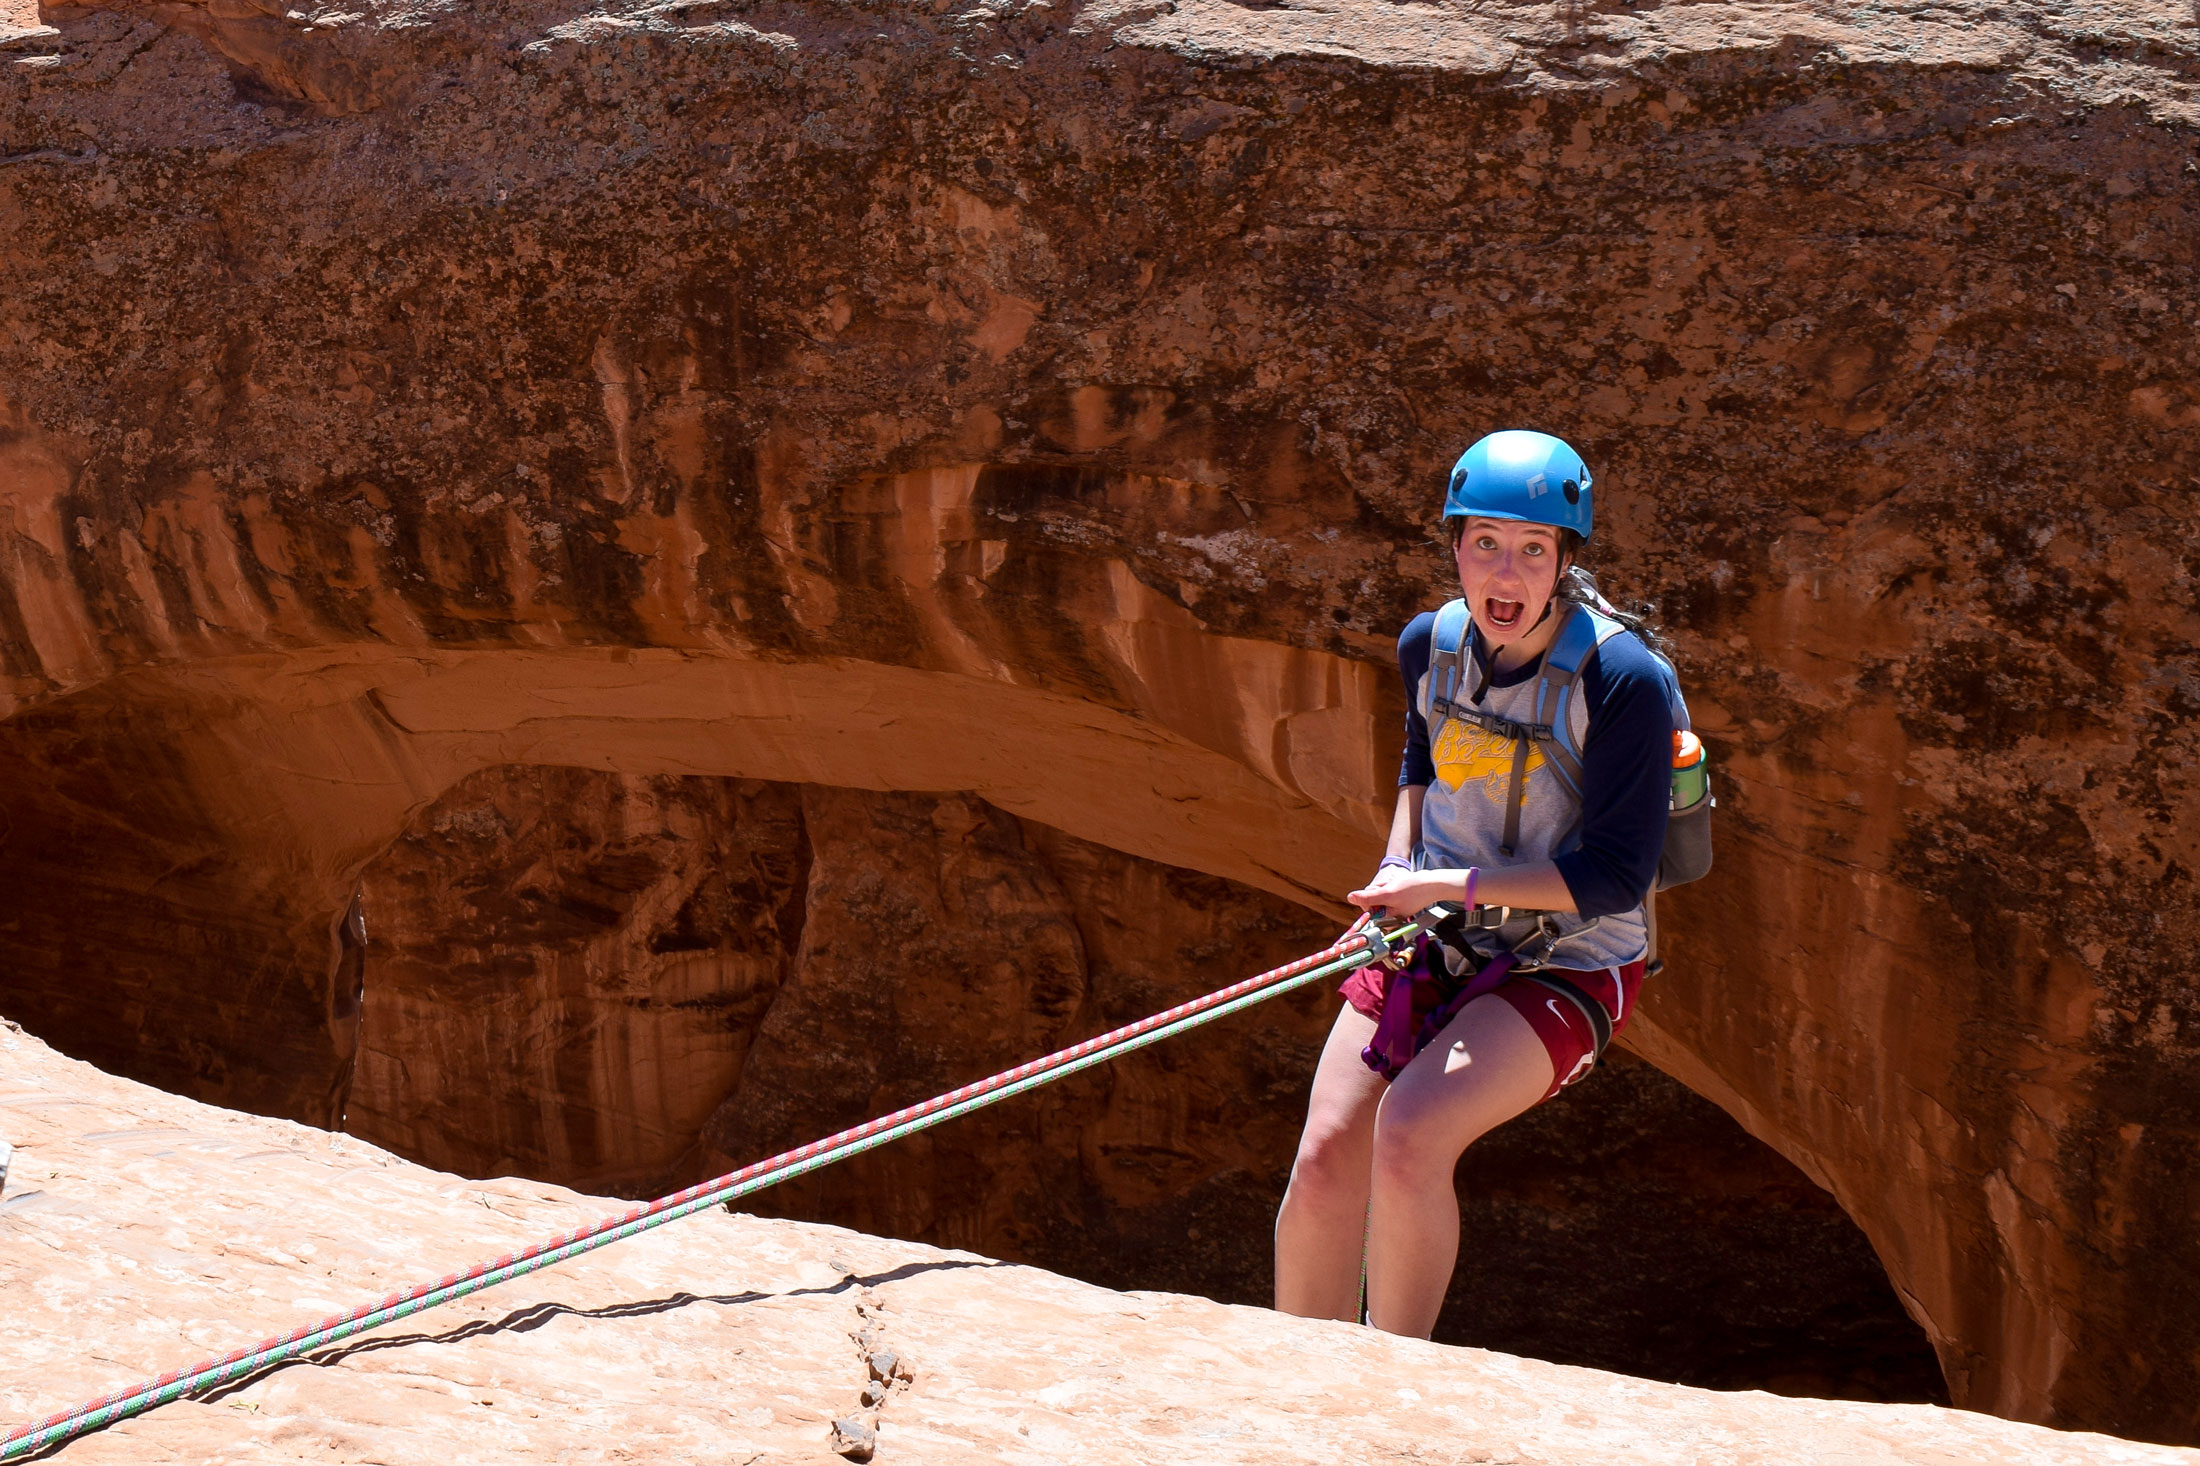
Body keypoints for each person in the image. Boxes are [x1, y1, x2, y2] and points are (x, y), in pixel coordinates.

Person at [1272, 429, 1676, 1339]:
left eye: (1534, 550)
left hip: (1570, 961)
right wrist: (1396, 867)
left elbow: (1614, 877)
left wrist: (1443, 888)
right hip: (1435, 930)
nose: (1506, 572)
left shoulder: (1623, 682)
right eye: (1485, 542)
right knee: (1329, 1148)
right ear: (1454, 545)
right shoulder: (1433, 643)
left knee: (1410, 1138)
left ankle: (1390, 1388)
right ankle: (1294, 1387)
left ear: (1566, 562)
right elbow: (1420, 768)